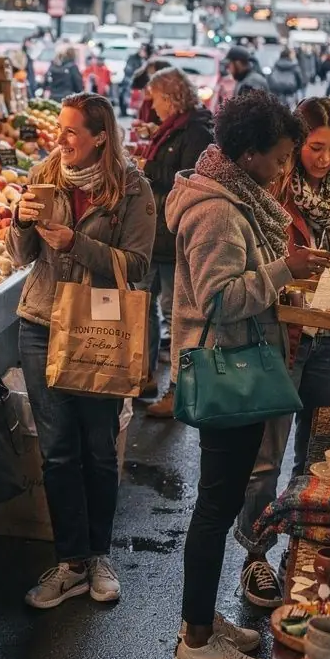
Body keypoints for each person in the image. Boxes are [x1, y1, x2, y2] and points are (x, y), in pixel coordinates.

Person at [167, 90, 330, 659]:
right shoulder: (216, 211)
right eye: (281, 157)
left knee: (220, 499)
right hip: (225, 371)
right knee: (216, 506)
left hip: (234, 365)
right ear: (248, 154)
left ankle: (201, 618)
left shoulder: (235, 198)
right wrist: (286, 270)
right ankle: (196, 640)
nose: (285, 168)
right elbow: (220, 298)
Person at [235, 98, 330, 608]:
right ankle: (256, 554)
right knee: (266, 455)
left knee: (320, 452)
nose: (325, 159)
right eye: (315, 148)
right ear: (295, 143)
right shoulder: (272, 185)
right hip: (283, 335)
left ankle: (301, 549)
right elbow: (258, 259)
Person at [5, 93, 155, 610]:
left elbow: (137, 265)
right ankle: (70, 561)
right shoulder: (45, 175)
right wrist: (20, 221)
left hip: (99, 325)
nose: (60, 139)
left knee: (98, 447)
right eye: (60, 129)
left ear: (99, 137)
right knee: (58, 450)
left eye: (71, 131)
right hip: (41, 322)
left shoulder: (132, 189)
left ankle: (99, 556)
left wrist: (76, 244)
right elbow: (21, 257)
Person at [138, 67, 214, 417]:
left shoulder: (196, 130)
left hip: (173, 236)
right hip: (155, 234)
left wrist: (148, 168)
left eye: (156, 99)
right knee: (143, 305)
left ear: (171, 98)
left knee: (176, 316)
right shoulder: (173, 127)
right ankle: (142, 375)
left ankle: (177, 391)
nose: (153, 107)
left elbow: (191, 180)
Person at [120, 42, 152, 116]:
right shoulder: (133, 58)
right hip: (133, 84)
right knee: (126, 99)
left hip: (143, 85)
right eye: (142, 49)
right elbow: (128, 71)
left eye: (145, 50)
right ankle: (125, 112)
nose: (143, 51)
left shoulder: (148, 59)